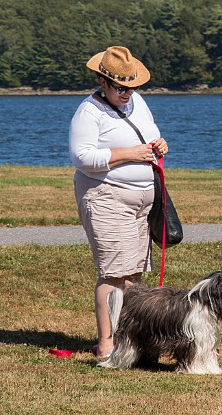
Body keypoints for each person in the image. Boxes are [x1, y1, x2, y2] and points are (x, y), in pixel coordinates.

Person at [69, 46, 168, 359]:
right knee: (114, 273)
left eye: (132, 86)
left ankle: (132, 341)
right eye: (120, 87)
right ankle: (107, 345)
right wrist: (131, 154)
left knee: (135, 273)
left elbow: (149, 135)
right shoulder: (89, 112)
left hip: (142, 200)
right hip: (106, 196)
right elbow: (82, 157)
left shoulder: (136, 101)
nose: (128, 93)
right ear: (102, 81)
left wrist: (159, 144)